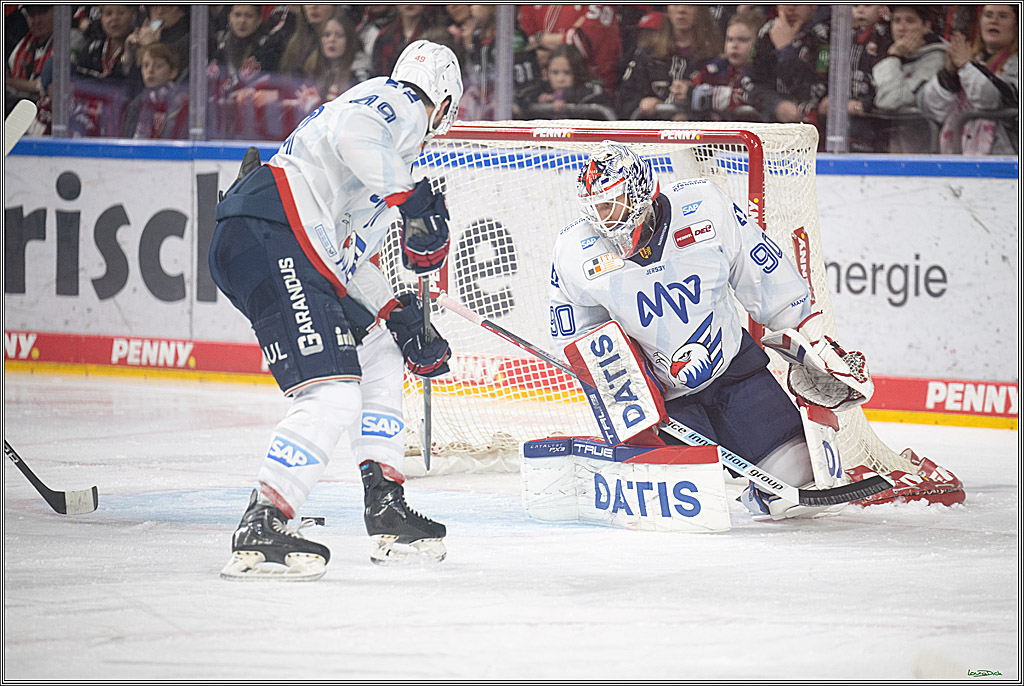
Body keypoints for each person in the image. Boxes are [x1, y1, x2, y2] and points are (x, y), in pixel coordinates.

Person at [210, 40, 463, 579]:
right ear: (444, 102)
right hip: (275, 230)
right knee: (333, 393)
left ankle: (385, 504)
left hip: (285, 242)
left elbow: (349, 256)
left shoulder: (381, 162)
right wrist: (410, 199)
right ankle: (264, 519)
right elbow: (355, 131)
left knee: (379, 352)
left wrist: (395, 312)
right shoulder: (400, 102)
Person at [550, 142, 872, 520]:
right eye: (593, 208)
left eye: (609, 204)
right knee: (674, 508)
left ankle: (762, 487)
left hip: (734, 373)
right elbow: (579, 338)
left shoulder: (704, 206)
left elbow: (762, 273)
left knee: (798, 480)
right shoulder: (574, 251)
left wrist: (810, 339)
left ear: (639, 193)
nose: (601, 220)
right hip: (663, 402)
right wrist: (631, 392)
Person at [918, 4, 1018, 154]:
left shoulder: (1016, 65)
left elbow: (990, 100)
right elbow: (928, 105)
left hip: (1006, 159)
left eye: (1003, 16)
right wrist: (949, 74)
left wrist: (966, 66)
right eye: (988, 15)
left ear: (1016, 26)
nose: (994, 21)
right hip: (959, 156)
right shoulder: (969, 59)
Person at [617, 5, 722, 120]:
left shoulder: (715, 58)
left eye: (690, 4)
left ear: (700, 10)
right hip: (655, 128)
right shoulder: (647, 55)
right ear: (667, 9)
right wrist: (642, 103)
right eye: (675, 4)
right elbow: (625, 98)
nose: (681, 10)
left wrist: (691, 111)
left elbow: (723, 106)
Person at [871, 5, 947, 152]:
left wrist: (893, 56)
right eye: (896, 21)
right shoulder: (891, 54)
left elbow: (891, 101)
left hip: (926, 153)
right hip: (893, 149)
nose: (902, 27)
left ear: (926, 26)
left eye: (910, 21)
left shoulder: (937, 59)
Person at [743, 5, 831, 130]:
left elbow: (819, 85)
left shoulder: (825, 34)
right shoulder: (768, 31)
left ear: (814, 5)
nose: (791, 8)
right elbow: (750, 82)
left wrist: (786, 50)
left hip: (816, 127)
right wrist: (776, 104)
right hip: (771, 125)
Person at [688, 8, 764, 121]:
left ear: (759, 42)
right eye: (730, 39)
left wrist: (706, 95)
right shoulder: (716, 68)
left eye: (743, 40)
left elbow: (754, 98)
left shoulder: (762, 72)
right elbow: (693, 85)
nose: (734, 45)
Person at [120, 42, 188, 139]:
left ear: (173, 72)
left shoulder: (181, 103)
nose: (150, 70)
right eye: (145, 65)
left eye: (158, 66)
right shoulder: (136, 104)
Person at [520, 43, 608, 117]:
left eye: (567, 72)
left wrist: (561, 96)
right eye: (555, 72)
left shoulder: (591, 89)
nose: (560, 79)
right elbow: (523, 97)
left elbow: (596, 91)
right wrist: (538, 100)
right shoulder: (542, 88)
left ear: (578, 72)